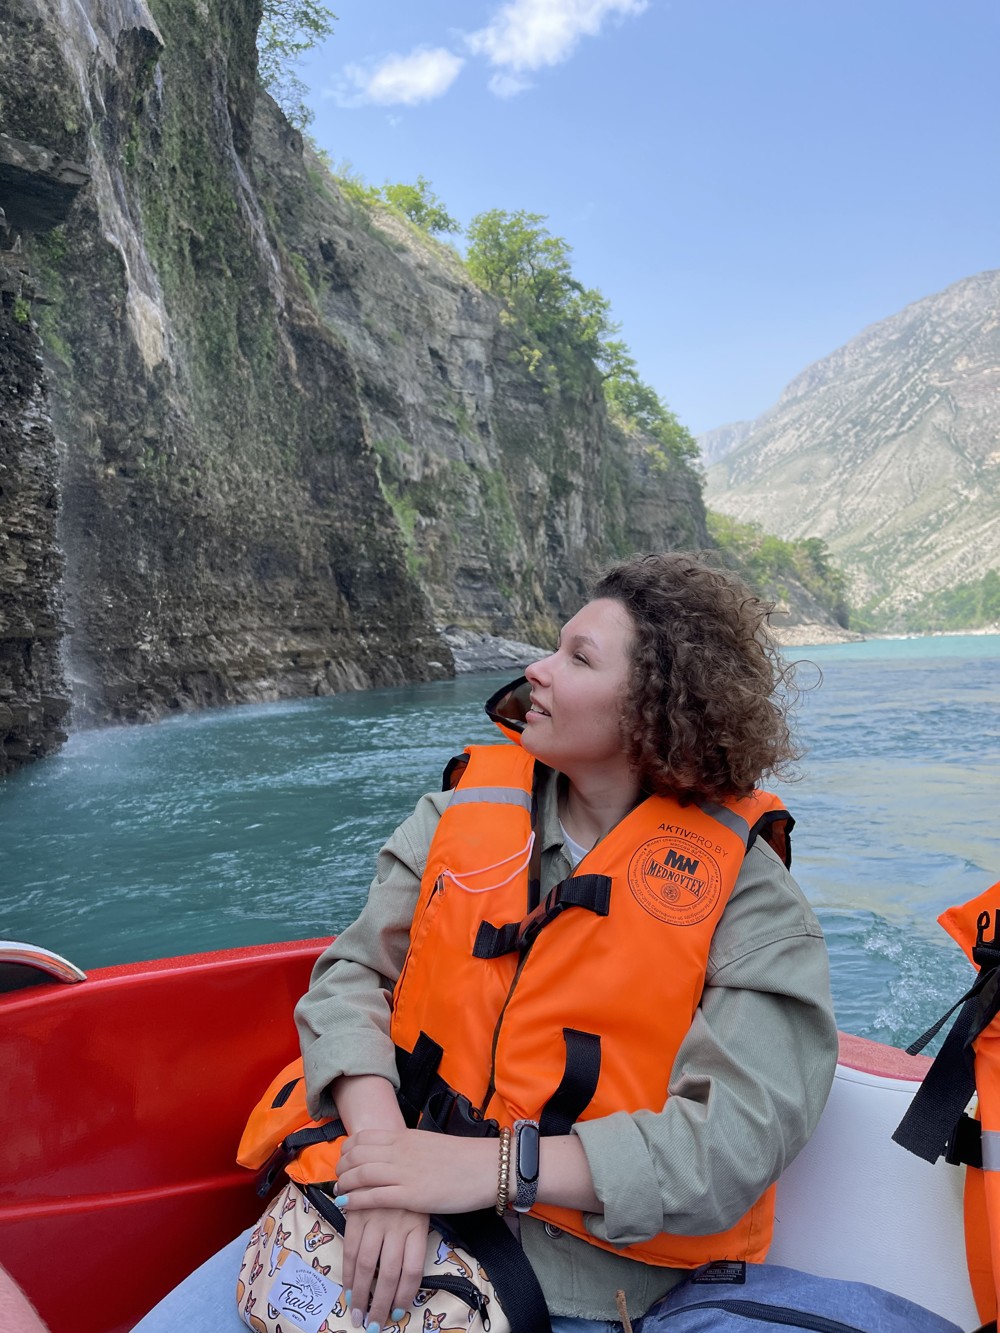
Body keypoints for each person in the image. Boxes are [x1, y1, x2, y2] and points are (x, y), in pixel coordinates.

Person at [133, 551, 838, 1333]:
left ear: (655, 711)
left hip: (570, 1273)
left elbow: (732, 1141)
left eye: (578, 658)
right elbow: (348, 980)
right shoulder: (454, 814)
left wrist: (485, 1170)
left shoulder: (750, 897)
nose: (536, 668)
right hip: (371, 1192)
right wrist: (389, 1165)